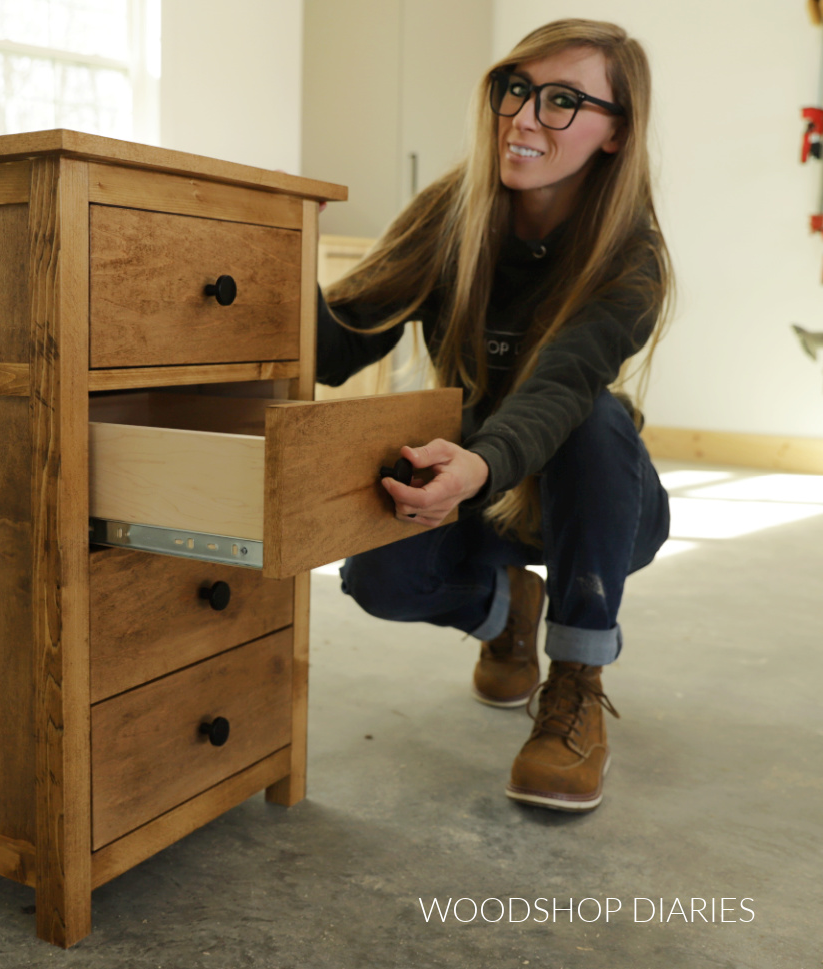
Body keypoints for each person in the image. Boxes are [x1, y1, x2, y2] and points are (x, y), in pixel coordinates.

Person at [317, 18, 673, 812]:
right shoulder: (454, 209)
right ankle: (508, 614)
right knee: (375, 577)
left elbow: (559, 385)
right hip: (477, 484)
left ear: (614, 133)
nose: (522, 116)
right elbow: (344, 334)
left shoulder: (630, 256)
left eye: (560, 101)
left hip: (592, 504)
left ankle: (576, 681)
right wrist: (246, 274)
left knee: (592, 416)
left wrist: (477, 465)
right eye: (515, 89)